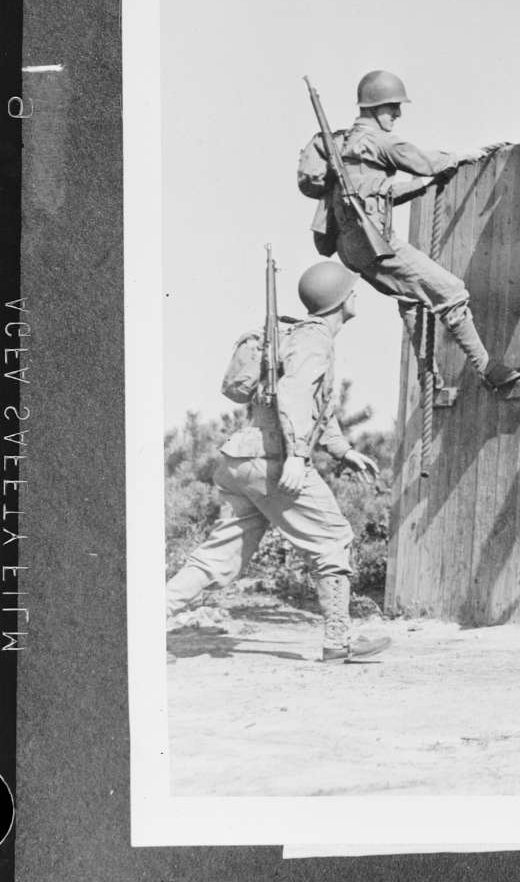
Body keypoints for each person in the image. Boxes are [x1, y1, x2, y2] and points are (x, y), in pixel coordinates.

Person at [165, 261, 391, 663]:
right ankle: (339, 640)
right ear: (341, 300)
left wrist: (342, 450)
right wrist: (298, 458)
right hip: (274, 459)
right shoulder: (315, 340)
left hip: (242, 458)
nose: (357, 296)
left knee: (223, 550)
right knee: (333, 538)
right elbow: (294, 396)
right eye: (353, 291)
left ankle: (147, 621)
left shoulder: (296, 336)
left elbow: (319, 406)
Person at [297, 69, 520, 390]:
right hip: (377, 245)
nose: (398, 114)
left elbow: (376, 195)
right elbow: (424, 162)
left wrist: (419, 188)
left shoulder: (345, 143)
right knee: (452, 291)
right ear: (374, 108)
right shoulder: (378, 141)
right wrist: (463, 156)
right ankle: (487, 369)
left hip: (351, 248)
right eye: (392, 107)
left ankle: (427, 374)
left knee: (411, 296)